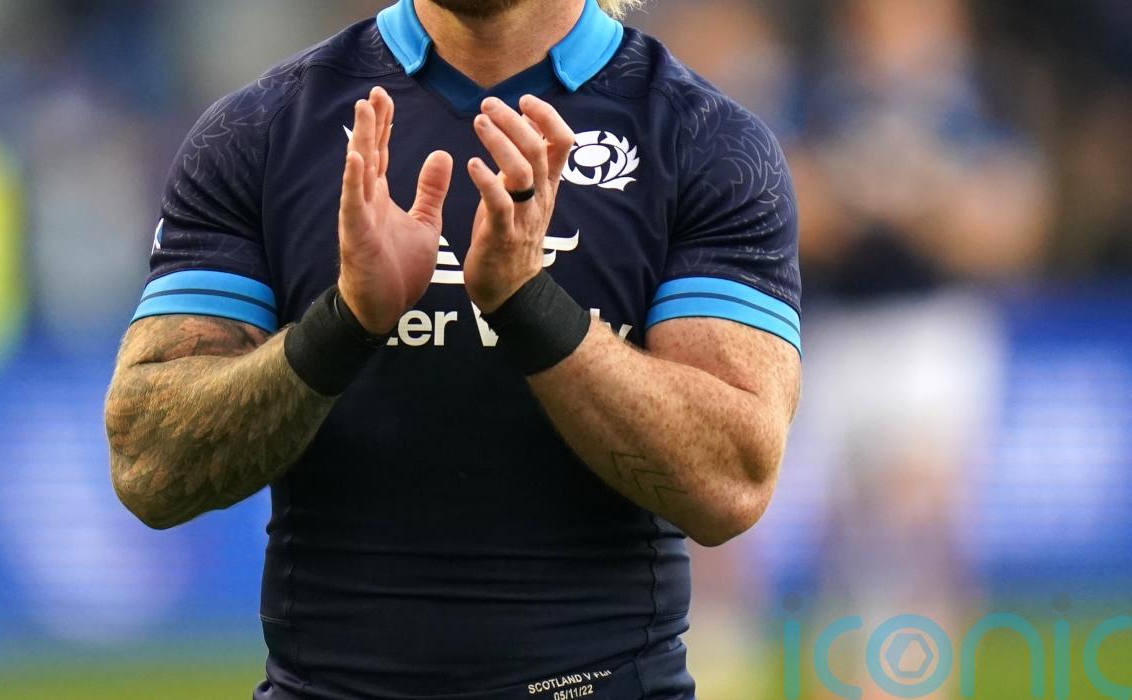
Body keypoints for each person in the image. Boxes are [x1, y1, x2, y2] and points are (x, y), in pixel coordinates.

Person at [103, 0, 802, 697]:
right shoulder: (263, 129)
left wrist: (527, 302)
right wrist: (344, 322)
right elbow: (148, 467)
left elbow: (730, 484)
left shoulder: (706, 143)